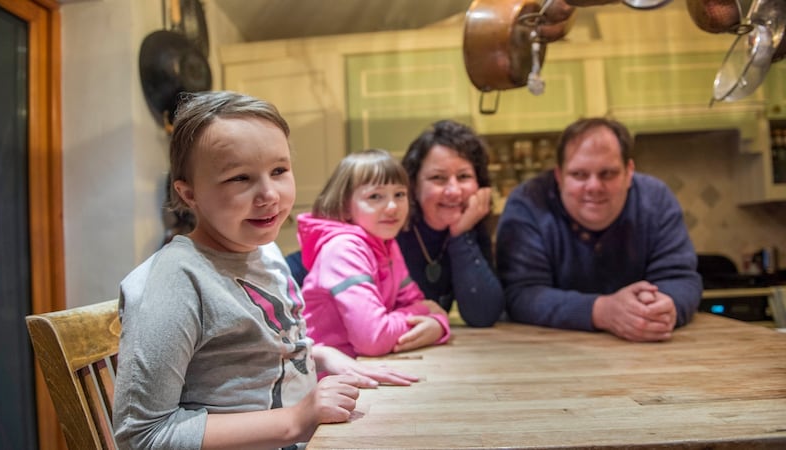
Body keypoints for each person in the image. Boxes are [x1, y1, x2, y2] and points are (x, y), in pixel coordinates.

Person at [112, 91, 417, 450]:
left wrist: (321, 355)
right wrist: (295, 420)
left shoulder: (266, 253)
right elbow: (142, 436)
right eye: (240, 178)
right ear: (189, 194)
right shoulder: (174, 283)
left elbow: (260, 353)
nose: (269, 194)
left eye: (279, 170)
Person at [495, 117, 702, 342]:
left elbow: (681, 278)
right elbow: (520, 294)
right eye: (579, 175)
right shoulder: (528, 203)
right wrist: (602, 311)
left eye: (608, 174)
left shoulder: (657, 199)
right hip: (551, 355)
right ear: (559, 176)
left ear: (629, 172)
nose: (593, 187)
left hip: (648, 354)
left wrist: (663, 306)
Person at [297, 149, 451, 358]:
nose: (392, 207)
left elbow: (414, 302)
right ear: (345, 206)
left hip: (359, 369)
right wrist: (425, 313)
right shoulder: (344, 249)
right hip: (325, 378)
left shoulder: (387, 244)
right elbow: (373, 339)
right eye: (375, 196)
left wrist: (437, 325)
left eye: (399, 194)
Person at [398, 120, 505, 327]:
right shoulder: (392, 230)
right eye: (438, 178)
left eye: (464, 177)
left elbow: (483, 315)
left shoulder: (470, 227)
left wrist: (461, 235)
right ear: (413, 185)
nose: (454, 191)